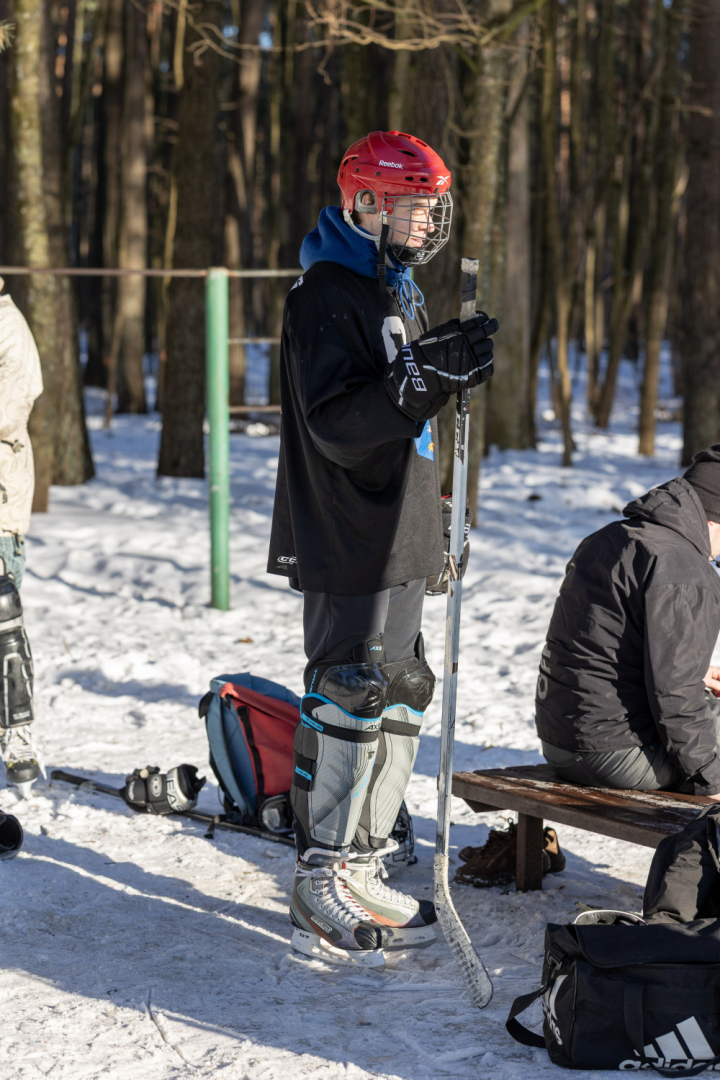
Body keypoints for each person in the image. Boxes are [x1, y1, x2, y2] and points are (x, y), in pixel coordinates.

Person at [267, 130, 497, 966]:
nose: (429, 220)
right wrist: (421, 378)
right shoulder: (324, 294)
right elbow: (338, 422)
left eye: (434, 205)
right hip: (346, 528)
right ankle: (320, 870)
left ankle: (364, 857)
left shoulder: (397, 289)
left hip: (401, 526)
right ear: (365, 202)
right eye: (414, 204)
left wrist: (440, 513)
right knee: (350, 689)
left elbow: (412, 421)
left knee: (400, 687)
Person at [0, 278, 43, 795]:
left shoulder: (9, 329)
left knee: (4, 623)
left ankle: (19, 735)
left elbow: (10, 410)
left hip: (1, 505)